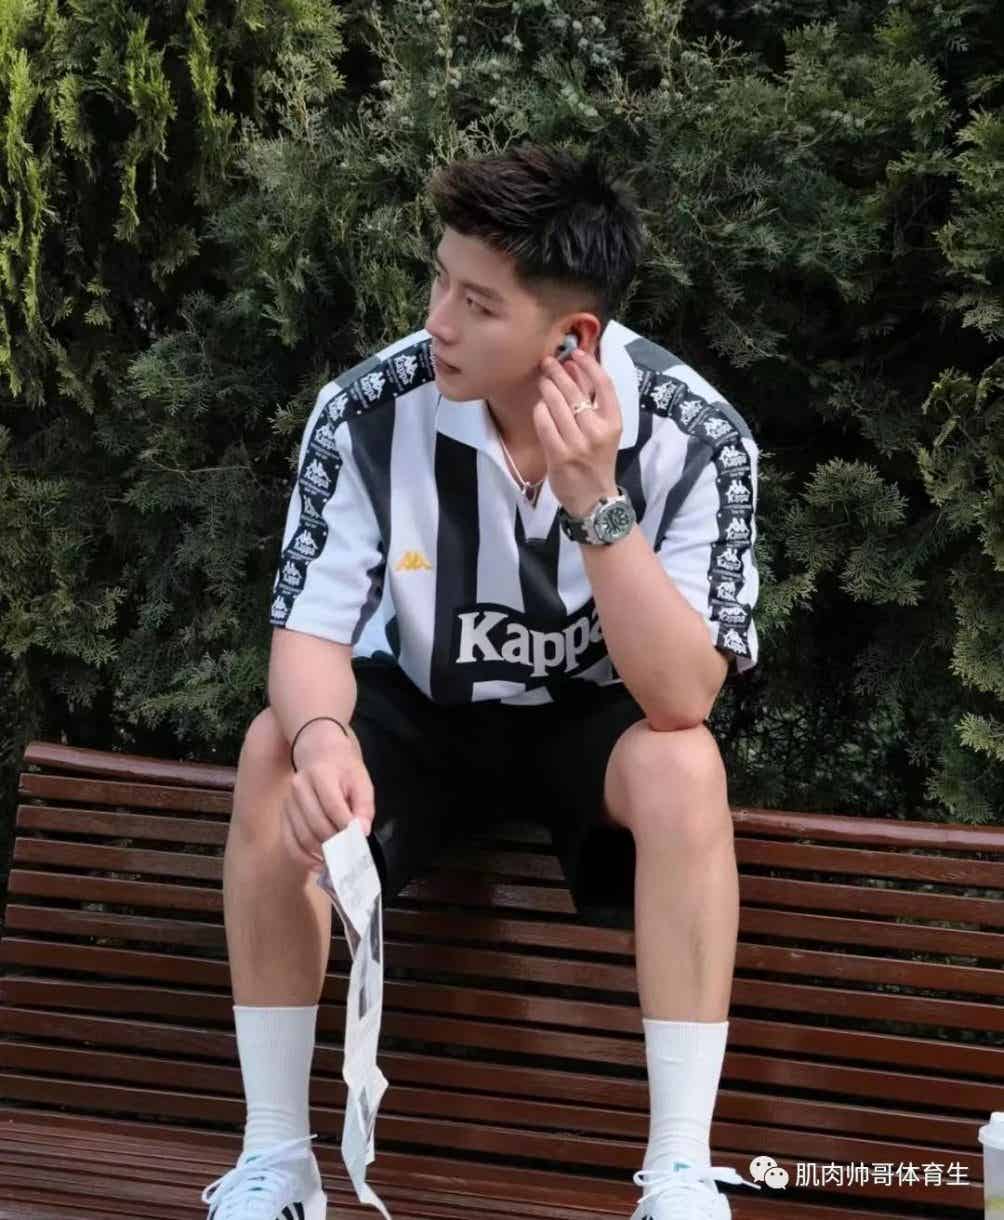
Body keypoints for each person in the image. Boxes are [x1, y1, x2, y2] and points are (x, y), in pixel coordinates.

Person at [201, 143, 761, 1220]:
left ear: (573, 337)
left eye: (477, 303)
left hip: (593, 725)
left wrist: (595, 499)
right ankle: (275, 1159)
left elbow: (680, 696)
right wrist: (322, 739)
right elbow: (308, 635)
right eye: (439, 281)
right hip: (422, 712)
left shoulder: (697, 438)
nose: (438, 323)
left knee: (685, 765)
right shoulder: (369, 410)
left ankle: (680, 1171)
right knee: (276, 744)